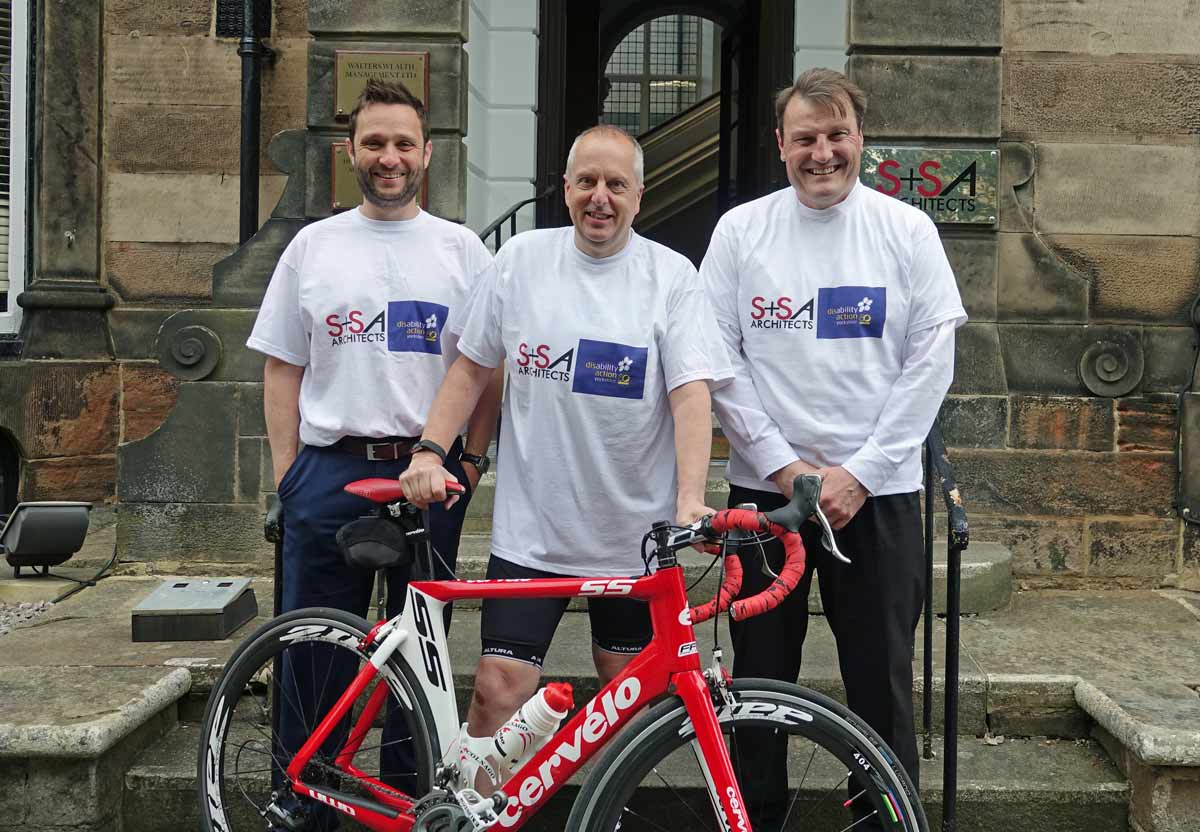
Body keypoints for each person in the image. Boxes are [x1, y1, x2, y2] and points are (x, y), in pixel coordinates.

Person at [398, 125, 732, 785]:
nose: (599, 198)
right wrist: (432, 449)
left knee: (629, 699)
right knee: (497, 692)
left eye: (615, 185)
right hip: (534, 534)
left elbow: (692, 397)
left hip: (633, 539)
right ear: (566, 188)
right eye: (587, 182)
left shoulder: (671, 276)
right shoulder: (521, 260)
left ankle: (613, 812)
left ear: (640, 194)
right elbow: (470, 368)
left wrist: (689, 500)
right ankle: (476, 820)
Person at [700, 68, 967, 827]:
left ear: (860, 139)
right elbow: (718, 359)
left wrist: (860, 472)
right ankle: (754, 819)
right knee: (756, 681)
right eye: (806, 138)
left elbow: (931, 359)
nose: (822, 153)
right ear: (780, 144)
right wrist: (787, 469)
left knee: (880, 682)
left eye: (836, 135)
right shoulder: (741, 231)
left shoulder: (905, 230)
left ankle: (884, 820)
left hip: (876, 498)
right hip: (766, 496)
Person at [246, 78, 501, 810]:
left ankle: (403, 806)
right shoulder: (312, 247)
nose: (389, 157)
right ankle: (301, 810)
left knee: (420, 661)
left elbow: (487, 372)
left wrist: (472, 461)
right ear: (350, 151)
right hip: (331, 473)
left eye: (403, 144)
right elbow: (281, 366)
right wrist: (290, 474)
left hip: (429, 478)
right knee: (313, 654)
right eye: (375, 143)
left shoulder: (462, 252)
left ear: (427, 153)